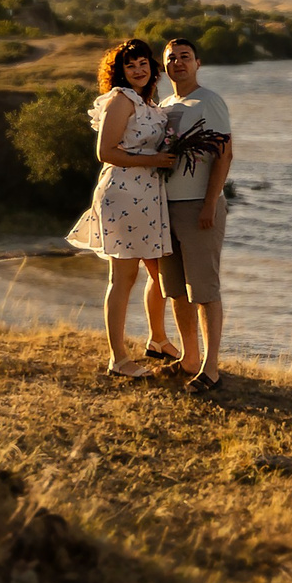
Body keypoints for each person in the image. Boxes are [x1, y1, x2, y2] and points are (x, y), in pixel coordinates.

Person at [65, 38, 179, 378]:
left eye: (143, 63)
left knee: (160, 273)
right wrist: (155, 159)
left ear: (152, 67)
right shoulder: (120, 100)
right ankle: (118, 359)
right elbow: (106, 152)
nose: (138, 69)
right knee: (124, 278)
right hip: (124, 194)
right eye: (130, 65)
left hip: (150, 196)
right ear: (120, 71)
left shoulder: (150, 104)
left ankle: (158, 340)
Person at [155, 36, 235, 390]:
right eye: (172, 58)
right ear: (164, 65)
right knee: (176, 290)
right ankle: (189, 359)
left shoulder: (210, 101)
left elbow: (225, 155)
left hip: (198, 208)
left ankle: (211, 369)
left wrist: (209, 204)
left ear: (197, 63)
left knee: (204, 289)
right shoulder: (166, 103)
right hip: (165, 208)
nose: (178, 63)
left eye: (185, 57)